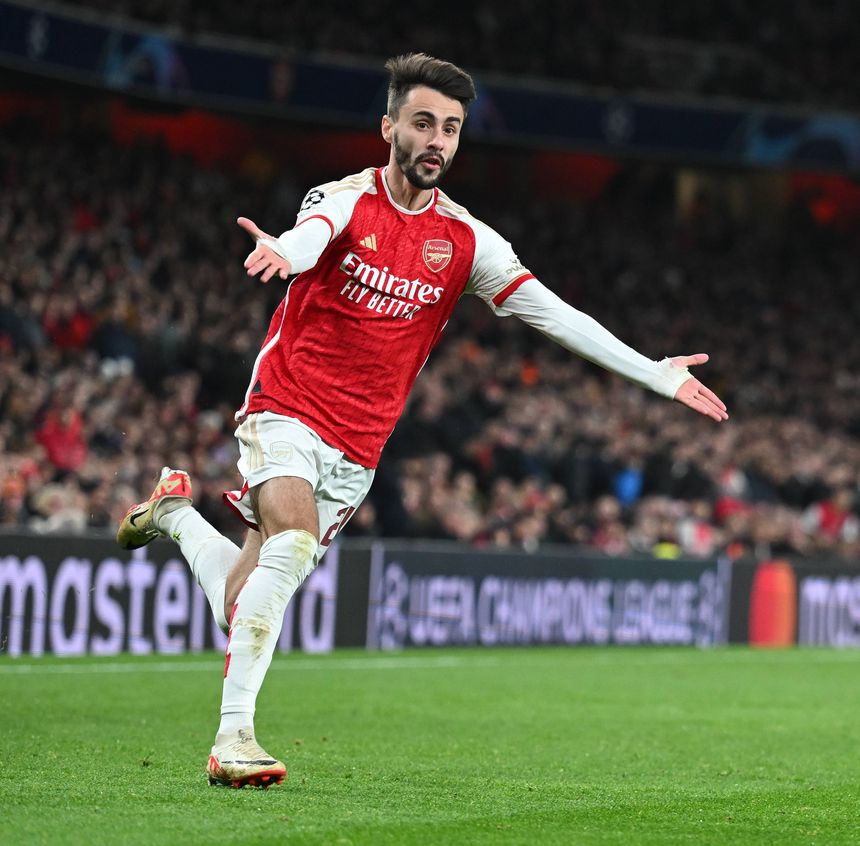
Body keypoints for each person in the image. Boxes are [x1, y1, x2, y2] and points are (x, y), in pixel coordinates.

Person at [117, 52, 728, 789]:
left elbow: (556, 315)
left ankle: (173, 514)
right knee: (294, 541)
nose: (437, 140)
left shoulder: (467, 241)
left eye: (451, 128)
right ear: (389, 128)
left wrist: (657, 374)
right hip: (286, 406)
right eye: (423, 123)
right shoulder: (345, 198)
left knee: (242, 601)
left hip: (359, 448)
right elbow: (315, 231)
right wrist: (286, 249)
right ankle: (234, 740)